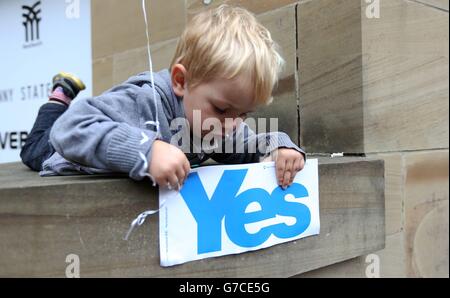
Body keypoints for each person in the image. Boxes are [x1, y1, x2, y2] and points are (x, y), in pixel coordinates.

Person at [21, 5, 306, 190]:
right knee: (33, 147)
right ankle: (59, 96)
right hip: (58, 152)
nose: (232, 125)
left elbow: (247, 144)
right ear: (181, 81)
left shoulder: (219, 123)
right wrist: (147, 151)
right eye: (221, 109)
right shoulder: (144, 101)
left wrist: (278, 148)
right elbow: (68, 129)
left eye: (243, 114)